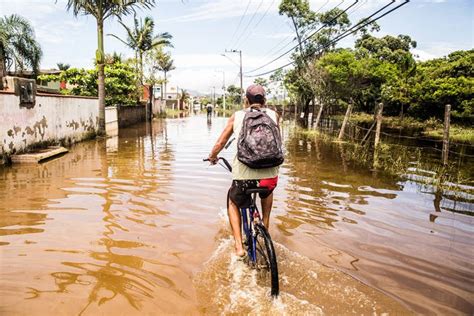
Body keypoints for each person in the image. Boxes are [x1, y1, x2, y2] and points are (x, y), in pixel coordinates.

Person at [207, 84, 280, 257]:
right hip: (270, 176)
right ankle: (265, 226)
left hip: (244, 177)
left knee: (233, 201)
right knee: (267, 192)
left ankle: (239, 248)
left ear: (246, 101)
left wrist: (212, 156)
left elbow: (220, 143)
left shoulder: (238, 116)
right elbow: (278, 143)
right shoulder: (274, 115)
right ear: (265, 100)